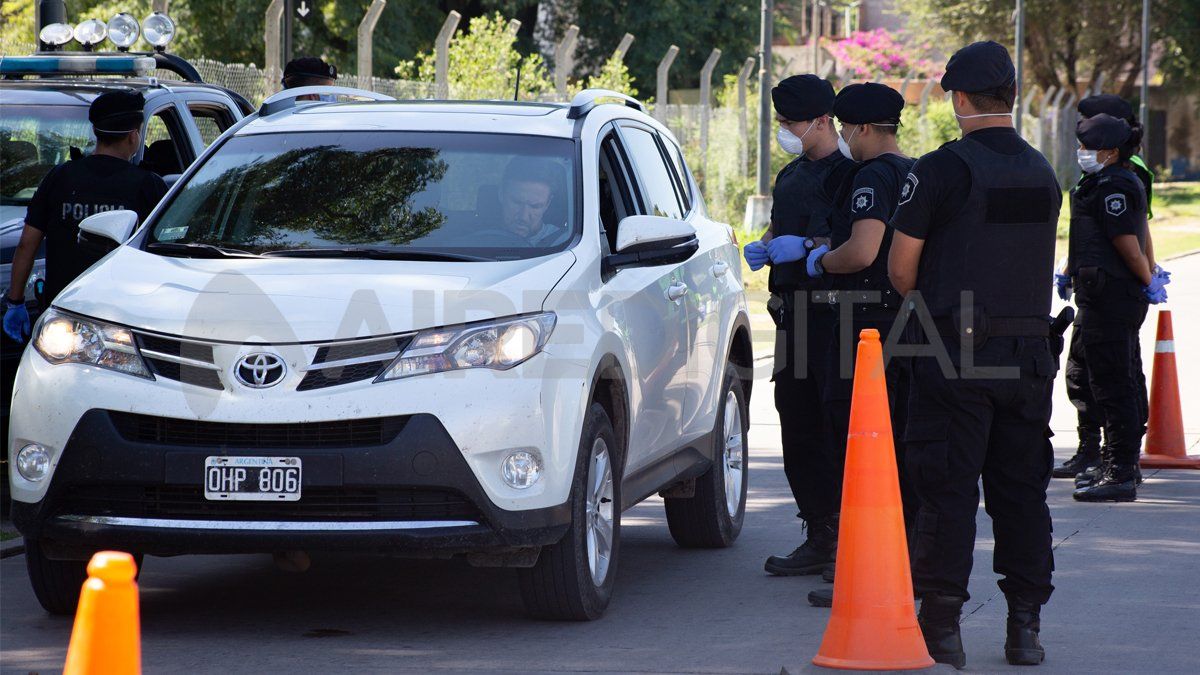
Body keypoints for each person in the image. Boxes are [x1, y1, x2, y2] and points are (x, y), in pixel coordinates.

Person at [887, 41, 1062, 668]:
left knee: (947, 490)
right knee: (1022, 493)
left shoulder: (939, 169)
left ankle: (942, 628)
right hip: (1029, 357)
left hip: (955, 357)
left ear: (959, 98)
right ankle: (1025, 628)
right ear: (1010, 96)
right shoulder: (1043, 172)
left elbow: (901, 270)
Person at [801, 82, 916, 608]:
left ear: (864, 128)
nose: (845, 136)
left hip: (864, 327)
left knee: (858, 446)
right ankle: (898, 559)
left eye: (847, 128)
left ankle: (864, 567)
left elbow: (864, 250)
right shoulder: (916, 170)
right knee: (899, 446)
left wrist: (821, 260)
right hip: (906, 324)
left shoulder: (871, 175)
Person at [742, 74, 857, 577]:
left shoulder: (852, 175)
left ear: (821, 121)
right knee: (798, 422)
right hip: (792, 315)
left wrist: (810, 247)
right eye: (781, 121)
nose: (784, 130)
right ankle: (821, 532)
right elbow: (782, 223)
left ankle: (852, 539)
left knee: (837, 427)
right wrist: (766, 244)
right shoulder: (790, 175)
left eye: (790, 122)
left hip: (836, 317)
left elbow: (861, 239)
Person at [1054, 94, 1159, 486]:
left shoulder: (1117, 183)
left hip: (1111, 295)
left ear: (1111, 151)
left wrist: (1148, 279)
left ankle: (1121, 469)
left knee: (1114, 381)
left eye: (1087, 145)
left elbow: (1129, 241)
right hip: (1098, 294)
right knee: (1097, 376)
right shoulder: (1101, 179)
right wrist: (1069, 269)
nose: (1081, 151)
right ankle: (1109, 461)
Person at [3, 91, 167, 341]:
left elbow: (27, 243)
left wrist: (15, 302)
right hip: (122, 319)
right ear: (133, 136)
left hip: (61, 316)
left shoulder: (59, 177)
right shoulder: (148, 185)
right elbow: (163, 254)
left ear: (96, 132)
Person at [496, 158, 567, 246]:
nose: (523, 217)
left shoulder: (564, 244)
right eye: (517, 202)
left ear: (548, 204)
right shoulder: (479, 233)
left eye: (535, 206)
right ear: (501, 194)